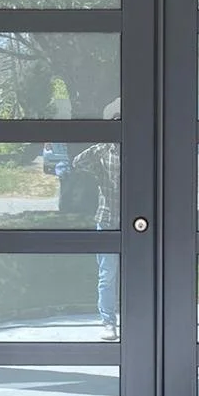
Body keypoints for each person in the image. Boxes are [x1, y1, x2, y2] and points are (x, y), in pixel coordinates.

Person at [71, 138, 121, 339]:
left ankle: (140, 322)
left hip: (135, 222)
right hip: (107, 219)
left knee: (139, 275)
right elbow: (77, 162)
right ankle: (108, 322)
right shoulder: (103, 154)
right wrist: (100, 145)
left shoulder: (140, 150)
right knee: (107, 275)